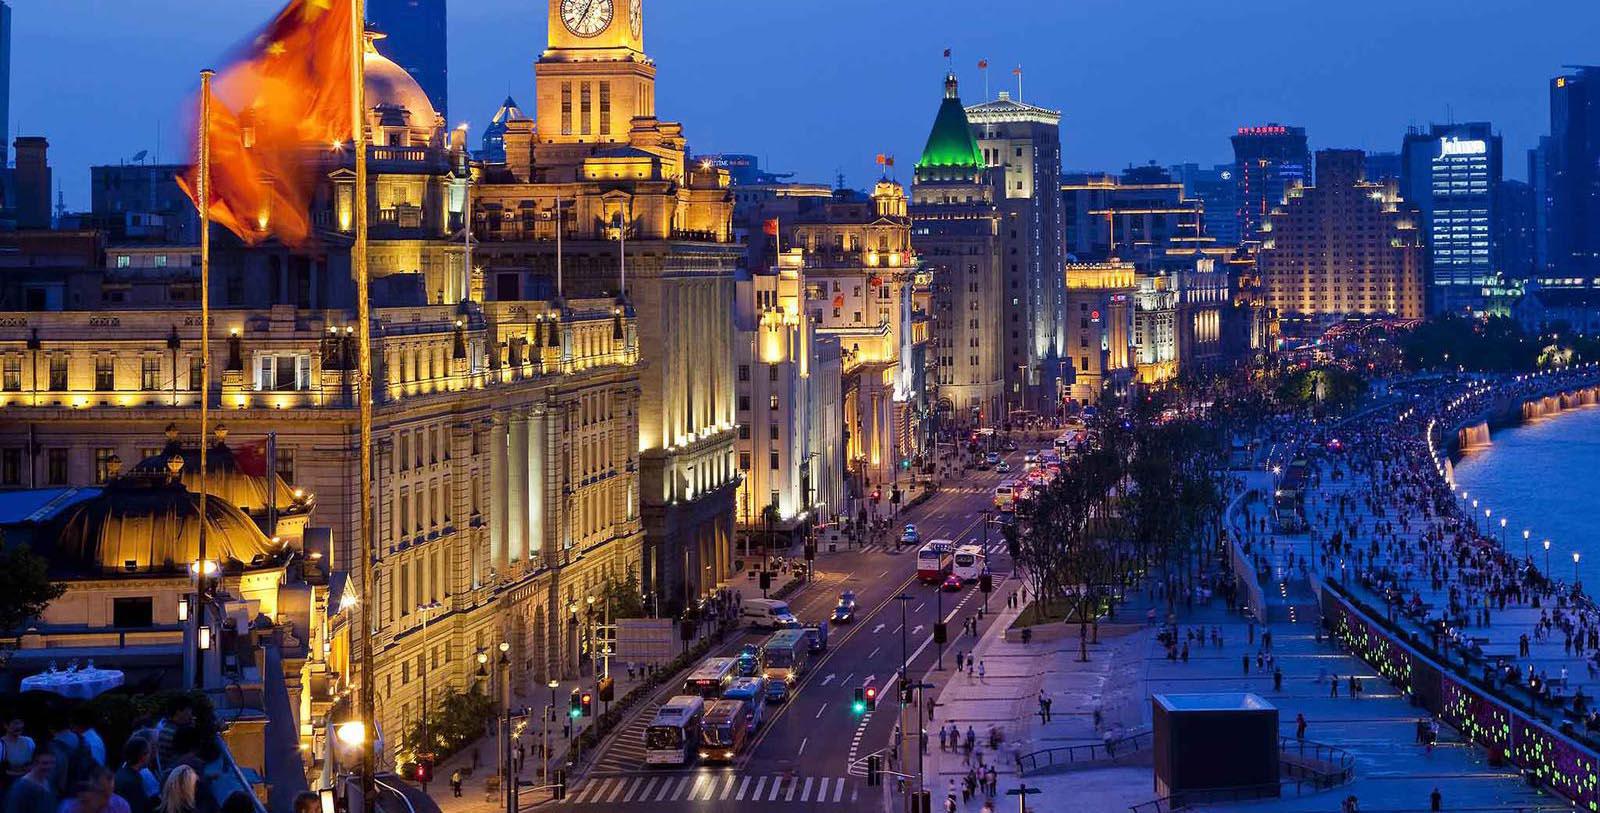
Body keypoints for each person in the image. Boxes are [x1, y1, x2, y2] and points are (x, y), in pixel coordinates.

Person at [154, 699, 196, 776]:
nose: (191, 715)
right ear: (178, 712)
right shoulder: (173, 732)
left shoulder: (165, 726)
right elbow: (184, 759)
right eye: (188, 711)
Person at [113, 740, 154, 813]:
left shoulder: (122, 771)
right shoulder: (132, 781)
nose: (150, 756)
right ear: (143, 756)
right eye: (149, 753)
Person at [1, 719, 34, 790]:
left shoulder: (28, 741)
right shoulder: (1, 744)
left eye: (20, 722)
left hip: (28, 783)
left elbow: (35, 761)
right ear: (6, 726)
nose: (19, 726)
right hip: (9, 785)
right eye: (15, 723)